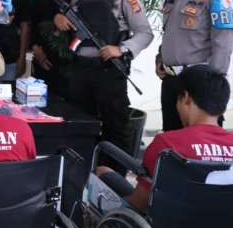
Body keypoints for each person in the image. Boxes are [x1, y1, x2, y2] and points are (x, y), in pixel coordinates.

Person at [54, 0, 153, 159]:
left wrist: (121, 49)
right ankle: (81, 170)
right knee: (80, 125)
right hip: (80, 72)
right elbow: (64, 25)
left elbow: (145, 33)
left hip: (109, 73)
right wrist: (58, 18)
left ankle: (112, 174)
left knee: (115, 128)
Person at [96, 66, 233, 211]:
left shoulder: (167, 144)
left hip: (168, 222)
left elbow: (139, 203)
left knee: (102, 171)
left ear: (186, 98)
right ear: (223, 108)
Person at [156, 0, 233, 131]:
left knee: (202, 138)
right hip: (171, 80)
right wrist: (161, 57)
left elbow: (223, 44)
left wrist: (214, 85)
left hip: (199, 83)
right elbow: (170, 32)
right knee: (172, 136)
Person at [30, 0, 84, 97]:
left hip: (66, 60)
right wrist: (35, 47)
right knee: (39, 101)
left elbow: (81, 25)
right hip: (41, 56)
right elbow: (33, 19)